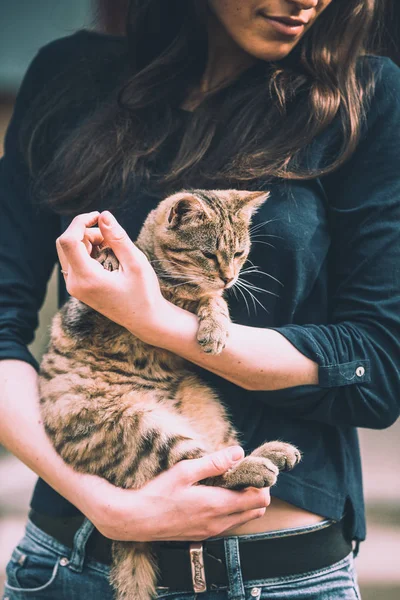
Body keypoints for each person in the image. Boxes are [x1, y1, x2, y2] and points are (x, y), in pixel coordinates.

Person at [1, 0, 399, 598]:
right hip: (70, 561)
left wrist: (158, 320)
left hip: (281, 574)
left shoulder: (365, 92)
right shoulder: (69, 74)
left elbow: (377, 370)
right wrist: (106, 505)